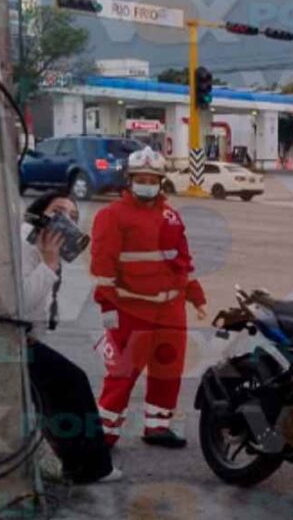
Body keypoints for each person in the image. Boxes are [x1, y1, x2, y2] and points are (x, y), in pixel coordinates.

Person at [91, 147, 207, 449]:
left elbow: (181, 261)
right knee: (122, 374)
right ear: (129, 181)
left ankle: (157, 428)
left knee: (168, 370)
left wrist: (195, 296)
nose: (147, 184)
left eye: (152, 180)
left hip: (171, 308)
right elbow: (103, 270)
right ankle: (104, 434)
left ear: (161, 182)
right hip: (131, 308)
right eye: (140, 179)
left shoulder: (171, 216)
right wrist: (108, 310)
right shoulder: (111, 216)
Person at [22, 190, 122, 484]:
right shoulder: (27, 244)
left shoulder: (40, 245)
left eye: (73, 216)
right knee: (70, 382)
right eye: (58, 211)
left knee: (59, 387)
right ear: (40, 213)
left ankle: (74, 462)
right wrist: (49, 263)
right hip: (7, 340)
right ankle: (89, 468)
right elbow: (21, 302)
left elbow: (39, 310)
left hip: (22, 338)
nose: (66, 220)